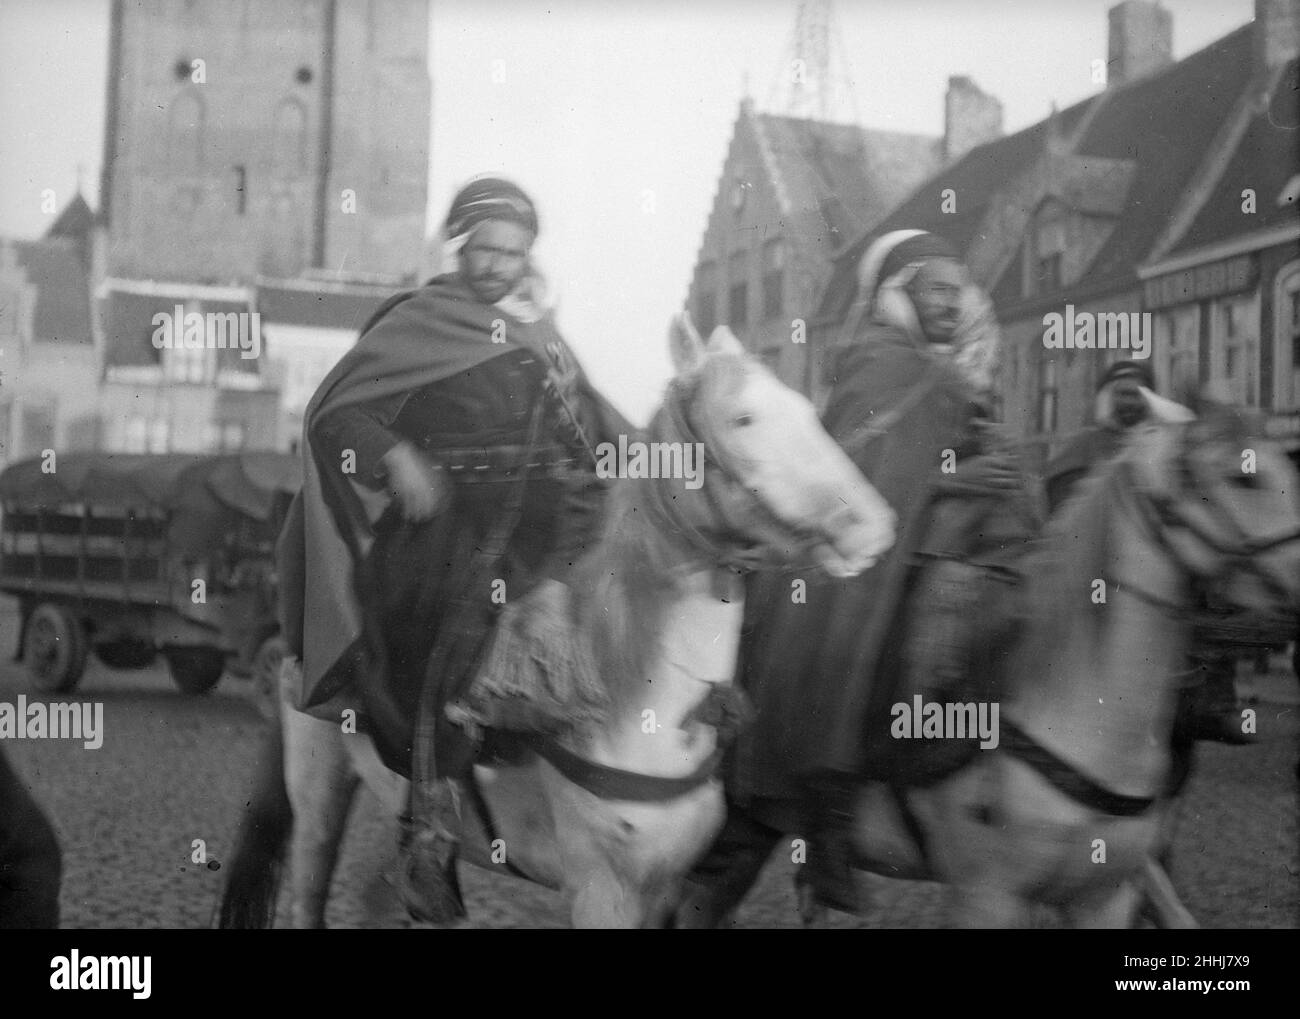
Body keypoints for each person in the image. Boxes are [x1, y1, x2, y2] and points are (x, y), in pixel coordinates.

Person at [276, 176, 629, 922]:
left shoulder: (541, 331)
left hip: (547, 529)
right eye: (487, 249)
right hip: (445, 529)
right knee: (449, 636)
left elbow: (595, 426)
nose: (499, 264)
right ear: (461, 248)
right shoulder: (419, 320)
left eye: (514, 251)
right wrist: (395, 456)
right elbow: (337, 412)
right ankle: (427, 835)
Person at [711, 230, 1032, 914]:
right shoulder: (883, 361)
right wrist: (960, 477)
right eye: (936, 289)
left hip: (948, 544)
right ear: (900, 293)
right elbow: (864, 477)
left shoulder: (941, 368)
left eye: (958, 290)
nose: (952, 302)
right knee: (868, 643)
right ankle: (833, 797)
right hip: (869, 552)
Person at [1044, 362, 1254, 746]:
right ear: (1108, 398)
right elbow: (1064, 516)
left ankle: (1216, 703)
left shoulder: (1167, 446)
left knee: (1212, 590)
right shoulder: (1083, 448)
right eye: (1123, 392)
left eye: (1139, 393)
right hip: (1099, 564)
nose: (1131, 402)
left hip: (1157, 559)